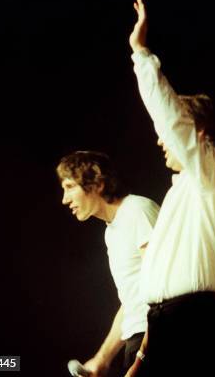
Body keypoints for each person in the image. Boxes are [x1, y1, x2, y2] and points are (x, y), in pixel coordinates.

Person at [126, 0, 215, 376]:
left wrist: (141, 54)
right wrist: (142, 356)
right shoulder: (180, 192)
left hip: (192, 323)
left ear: (199, 134)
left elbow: (172, 124)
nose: (162, 141)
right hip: (164, 326)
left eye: (172, 136)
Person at [57, 151, 159, 377]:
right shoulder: (111, 232)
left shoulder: (137, 210)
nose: (64, 199)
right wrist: (102, 359)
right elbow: (133, 301)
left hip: (158, 342)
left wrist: (142, 357)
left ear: (97, 182)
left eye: (69, 186)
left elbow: (163, 292)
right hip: (140, 342)